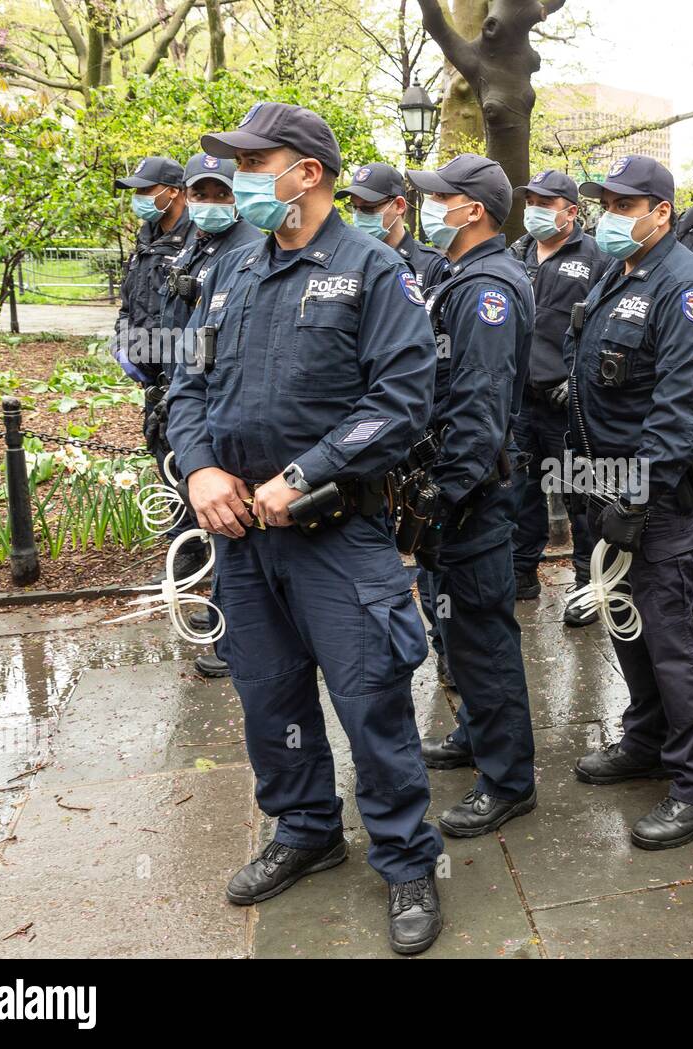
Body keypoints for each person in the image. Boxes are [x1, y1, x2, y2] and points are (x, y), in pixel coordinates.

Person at [166, 102, 444, 955]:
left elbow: (402, 402)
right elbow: (188, 387)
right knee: (270, 697)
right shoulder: (231, 270)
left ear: (308, 174)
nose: (243, 177)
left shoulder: (373, 270)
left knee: (371, 702)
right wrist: (199, 467)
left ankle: (405, 859)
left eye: (257, 162)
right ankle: (306, 828)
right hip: (244, 539)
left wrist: (309, 471)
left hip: (336, 537)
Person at [568, 154, 693, 849]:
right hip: (605, 481)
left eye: (622, 204)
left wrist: (635, 497)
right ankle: (647, 735)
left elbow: (681, 405)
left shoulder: (686, 285)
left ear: (661, 211)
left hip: (656, 491)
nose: (607, 215)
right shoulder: (621, 270)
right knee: (626, 615)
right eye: (602, 203)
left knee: (668, 628)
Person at [407, 154, 539, 839]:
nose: (430, 205)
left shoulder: (487, 288)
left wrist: (442, 495)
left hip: (472, 500)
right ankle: (476, 734)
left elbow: (479, 408)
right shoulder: (458, 277)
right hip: (455, 495)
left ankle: (509, 779)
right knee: (456, 631)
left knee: (483, 640)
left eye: (440, 197)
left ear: (474, 211)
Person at [335, 161, 449, 688]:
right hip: (356, 439)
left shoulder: (431, 267)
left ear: (398, 207)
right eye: (352, 207)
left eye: (367, 207)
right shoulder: (344, 264)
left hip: (411, 436)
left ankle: (447, 653)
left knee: (427, 557)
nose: (357, 215)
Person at [155, 152, 261, 681]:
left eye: (223, 193)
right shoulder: (192, 246)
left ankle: (235, 635)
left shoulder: (248, 253)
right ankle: (233, 626)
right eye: (202, 194)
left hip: (231, 419)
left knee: (233, 525)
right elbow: (189, 353)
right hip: (190, 405)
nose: (211, 204)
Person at [507, 169, 611, 622]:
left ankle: (589, 583)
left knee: (580, 494)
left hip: (566, 402)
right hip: (520, 399)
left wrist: (578, 383)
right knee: (521, 490)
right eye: (530, 201)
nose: (534, 210)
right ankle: (522, 573)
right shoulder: (517, 252)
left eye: (545, 203)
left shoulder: (598, 257)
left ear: (571, 211)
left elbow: (609, 328)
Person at [109, 155, 198, 578]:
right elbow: (129, 305)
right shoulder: (145, 242)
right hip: (154, 380)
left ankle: (200, 547)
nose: (141, 199)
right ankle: (183, 545)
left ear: (174, 192)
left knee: (192, 459)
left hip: (190, 377)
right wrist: (123, 345)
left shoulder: (197, 243)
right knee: (163, 455)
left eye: (147, 190)